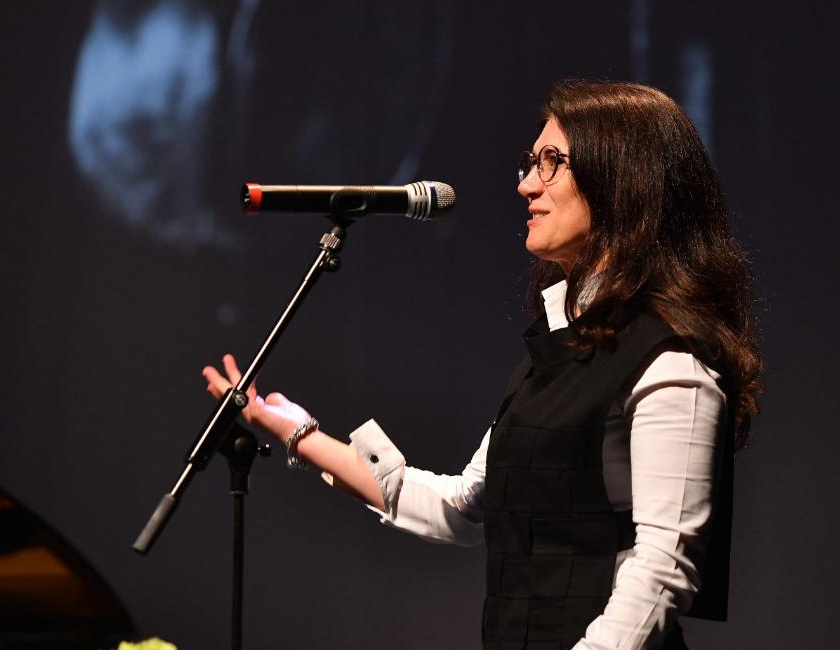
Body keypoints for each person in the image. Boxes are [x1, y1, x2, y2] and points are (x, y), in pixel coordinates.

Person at [202, 80, 762, 650]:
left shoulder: (672, 360)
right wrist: (298, 432)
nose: (527, 184)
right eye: (531, 163)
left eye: (552, 162)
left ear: (623, 180)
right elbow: (464, 507)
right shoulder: (559, 352)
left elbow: (664, 566)